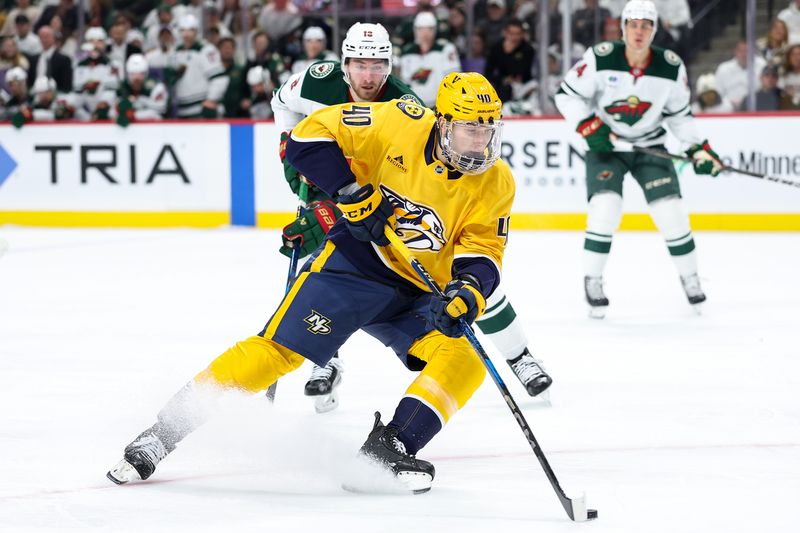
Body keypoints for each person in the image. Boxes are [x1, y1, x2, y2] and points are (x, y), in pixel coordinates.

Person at [107, 72, 511, 495]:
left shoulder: (497, 180)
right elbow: (304, 139)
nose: (479, 141)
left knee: (464, 358)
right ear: (442, 122)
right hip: (354, 269)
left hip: (416, 292)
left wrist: (468, 290)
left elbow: (483, 248)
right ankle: (163, 432)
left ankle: (388, 449)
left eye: (487, 129)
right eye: (469, 128)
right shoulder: (396, 122)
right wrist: (351, 193)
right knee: (276, 353)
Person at [272, 22, 552, 412]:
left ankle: (519, 355)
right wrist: (290, 152)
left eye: (378, 65)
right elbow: (282, 106)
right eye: (360, 65)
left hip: (379, 199)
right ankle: (325, 361)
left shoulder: (406, 105)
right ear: (344, 63)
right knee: (317, 270)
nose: (368, 76)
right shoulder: (315, 82)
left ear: (389, 65)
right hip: (332, 188)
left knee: (463, 276)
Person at [554, 0, 723, 317]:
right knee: (605, 209)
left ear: (655, 30)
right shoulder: (600, 58)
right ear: (623, 27)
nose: (639, 31)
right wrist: (589, 126)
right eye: (633, 24)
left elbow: (680, 116)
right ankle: (593, 280)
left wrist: (697, 147)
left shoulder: (671, 66)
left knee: (670, 212)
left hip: (651, 146)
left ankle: (690, 278)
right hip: (608, 147)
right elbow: (566, 94)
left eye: (646, 25)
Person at [398, 11, 461, 107]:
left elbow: (454, 79)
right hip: (414, 106)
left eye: (429, 29)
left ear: (435, 30)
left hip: (440, 106)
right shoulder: (407, 52)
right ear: (415, 30)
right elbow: (405, 83)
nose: (425, 33)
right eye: (421, 29)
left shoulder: (446, 48)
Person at [112, 54, 168, 127]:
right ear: (127, 74)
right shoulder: (121, 88)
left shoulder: (157, 87)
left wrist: (133, 114)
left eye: (141, 73)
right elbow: (112, 112)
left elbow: (159, 112)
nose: (137, 78)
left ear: (146, 74)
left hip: (152, 130)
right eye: (133, 74)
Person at [715, 40, 767, 110]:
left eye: (747, 51)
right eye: (741, 51)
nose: (744, 54)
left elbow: (768, 89)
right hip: (730, 110)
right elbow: (718, 93)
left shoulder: (762, 65)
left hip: (757, 108)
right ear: (735, 52)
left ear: (754, 52)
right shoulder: (723, 68)